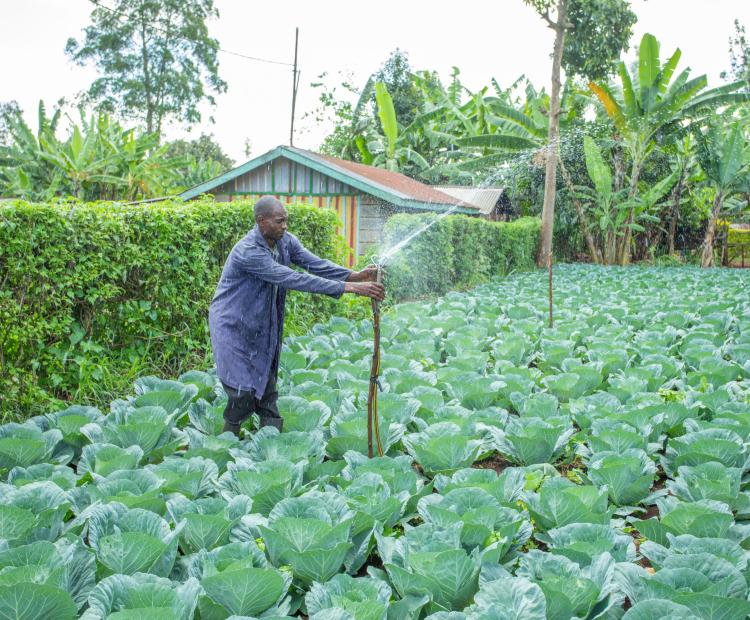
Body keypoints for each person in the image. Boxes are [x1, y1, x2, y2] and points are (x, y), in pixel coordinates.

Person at [209, 195, 385, 436]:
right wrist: (350, 289)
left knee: (267, 389)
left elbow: (314, 264)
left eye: (286, 221)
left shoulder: (284, 242)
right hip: (232, 325)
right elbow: (292, 278)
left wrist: (353, 276)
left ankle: (270, 446)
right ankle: (226, 438)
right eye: (279, 221)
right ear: (261, 221)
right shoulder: (248, 251)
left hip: (262, 323)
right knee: (242, 391)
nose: (285, 226)